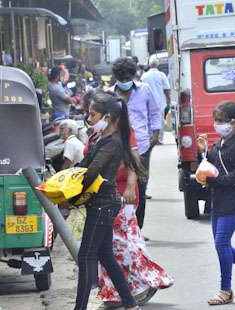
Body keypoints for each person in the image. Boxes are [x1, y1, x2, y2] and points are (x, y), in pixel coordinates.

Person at [96, 93, 174, 309]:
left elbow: (133, 161)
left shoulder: (125, 134)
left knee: (123, 244)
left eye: (94, 113)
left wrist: (131, 186)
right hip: (102, 197)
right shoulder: (97, 134)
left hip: (123, 195)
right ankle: (113, 293)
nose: (90, 117)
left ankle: (148, 280)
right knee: (107, 247)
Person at [74, 90, 141, 310]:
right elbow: (83, 166)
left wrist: (69, 194)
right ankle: (131, 304)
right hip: (103, 202)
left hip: (104, 204)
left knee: (85, 257)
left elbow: (91, 172)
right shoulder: (101, 139)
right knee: (104, 255)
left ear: (107, 118)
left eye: (92, 114)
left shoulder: (112, 143)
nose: (88, 118)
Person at [196, 101, 235, 306]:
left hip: (232, 202)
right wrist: (203, 152)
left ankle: (225, 290)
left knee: (221, 244)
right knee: (223, 245)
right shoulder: (220, 143)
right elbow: (213, 164)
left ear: (233, 123)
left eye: (220, 121)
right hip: (217, 201)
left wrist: (214, 181)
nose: (216, 124)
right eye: (215, 120)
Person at [110, 57, 163, 231]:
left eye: (128, 78)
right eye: (121, 79)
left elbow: (155, 112)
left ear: (133, 76)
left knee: (140, 185)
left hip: (141, 145)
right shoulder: (109, 94)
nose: (125, 82)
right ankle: (121, 225)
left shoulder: (144, 90)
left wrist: (155, 134)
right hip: (118, 147)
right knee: (119, 184)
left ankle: (138, 228)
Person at [141, 57, 171, 143]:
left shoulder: (144, 76)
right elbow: (167, 90)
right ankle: (159, 139)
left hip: (147, 102)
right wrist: (169, 100)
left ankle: (151, 137)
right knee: (160, 120)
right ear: (158, 64)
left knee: (149, 120)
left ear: (149, 65)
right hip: (159, 102)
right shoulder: (162, 75)